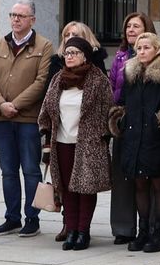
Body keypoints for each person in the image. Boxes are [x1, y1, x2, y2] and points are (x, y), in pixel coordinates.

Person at [0, 0, 56, 240]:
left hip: (28, 119)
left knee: (31, 170)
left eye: (21, 16)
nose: (15, 19)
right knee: (8, 171)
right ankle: (11, 218)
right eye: (13, 15)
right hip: (1, 118)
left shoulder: (44, 46)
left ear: (32, 20)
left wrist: (16, 104)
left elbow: (41, 81)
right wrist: (1, 104)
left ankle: (32, 219)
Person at [38, 35, 114, 251]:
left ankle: (83, 231)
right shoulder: (58, 79)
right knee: (67, 189)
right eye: (67, 53)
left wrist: (102, 136)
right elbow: (46, 110)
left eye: (74, 53)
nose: (69, 57)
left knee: (85, 189)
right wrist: (47, 141)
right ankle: (71, 230)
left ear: (85, 56)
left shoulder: (98, 80)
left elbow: (109, 110)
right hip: (62, 142)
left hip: (89, 145)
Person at [115, 31, 160, 253]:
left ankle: (158, 233)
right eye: (138, 48)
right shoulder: (131, 72)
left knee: (158, 184)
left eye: (146, 47)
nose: (141, 52)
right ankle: (143, 232)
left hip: (157, 136)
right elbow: (124, 101)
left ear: (157, 49)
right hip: (134, 134)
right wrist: (122, 122)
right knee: (139, 183)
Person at [108, 11, 155, 244]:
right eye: (128, 26)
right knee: (122, 176)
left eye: (136, 26)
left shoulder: (156, 57)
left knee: (148, 179)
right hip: (123, 121)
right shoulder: (119, 57)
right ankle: (123, 228)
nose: (131, 30)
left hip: (148, 125)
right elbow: (112, 87)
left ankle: (151, 228)